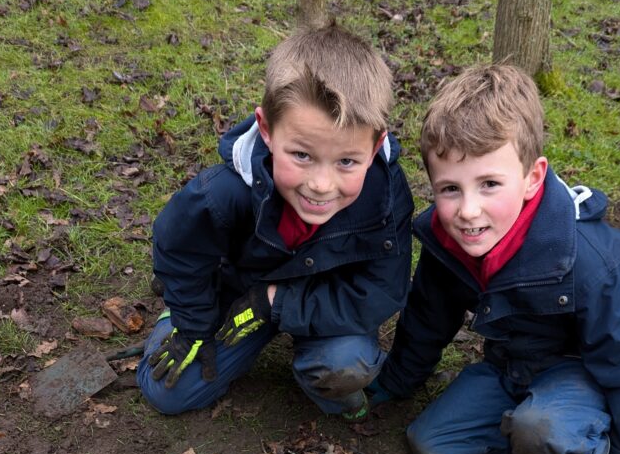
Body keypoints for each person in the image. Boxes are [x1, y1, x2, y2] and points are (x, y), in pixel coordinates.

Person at [369, 64, 620, 454]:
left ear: (533, 177)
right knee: (430, 444)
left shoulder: (603, 264)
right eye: (450, 189)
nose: (468, 211)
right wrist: (397, 379)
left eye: (490, 184)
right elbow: (427, 315)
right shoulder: (445, 238)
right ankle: (529, 426)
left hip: (580, 374)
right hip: (509, 367)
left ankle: (575, 441)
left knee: (546, 437)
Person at [137, 23, 413, 420]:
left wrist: (276, 303)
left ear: (374, 146)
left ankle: (314, 370)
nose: (321, 185)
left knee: (345, 362)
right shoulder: (221, 192)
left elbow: (380, 292)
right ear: (266, 130)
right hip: (238, 293)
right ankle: (179, 320)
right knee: (169, 392)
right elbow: (177, 250)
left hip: (323, 299)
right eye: (301, 155)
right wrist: (193, 323)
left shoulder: (386, 195)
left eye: (347, 161)